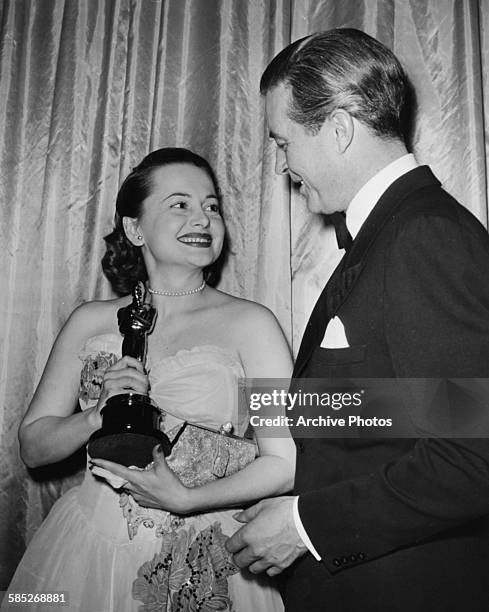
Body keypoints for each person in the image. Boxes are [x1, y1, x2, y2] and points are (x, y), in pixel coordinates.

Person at [226, 28, 489, 611]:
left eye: (282, 142)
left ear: (340, 129)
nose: (281, 166)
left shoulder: (424, 236)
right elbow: (398, 405)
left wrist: (304, 526)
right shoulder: (397, 232)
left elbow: (475, 452)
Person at [5, 148, 295, 612]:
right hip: (87, 552)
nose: (202, 218)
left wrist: (187, 498)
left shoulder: (251, 325)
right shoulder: (89, 322)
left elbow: (283, 463)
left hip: (204, 555)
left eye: (212, 206)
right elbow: (33, 447)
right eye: (180, 204)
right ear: (134, 228)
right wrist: (95, 416)